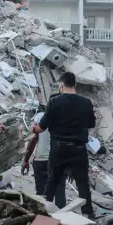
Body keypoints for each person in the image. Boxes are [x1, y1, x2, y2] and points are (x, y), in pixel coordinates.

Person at [36, 72, 95, 217]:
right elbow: (91, 123)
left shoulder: (55, 101)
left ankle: (44, 215)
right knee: (82, 185)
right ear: (74, 84)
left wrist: (34, 129)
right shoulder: (86, 102)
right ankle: (88, 215)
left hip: (59, 148)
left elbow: (42, 127)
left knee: (52, 182)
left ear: (61, 85)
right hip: (79, 149)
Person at [21, 110, 66, 208]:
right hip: (58, 161)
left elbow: (33, 139)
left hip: (41, 160)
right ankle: (63, 219)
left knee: (41, 194)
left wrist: (26, 160)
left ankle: (42, 219)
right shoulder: (65, 117)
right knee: (60, 192)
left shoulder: (40, 116)